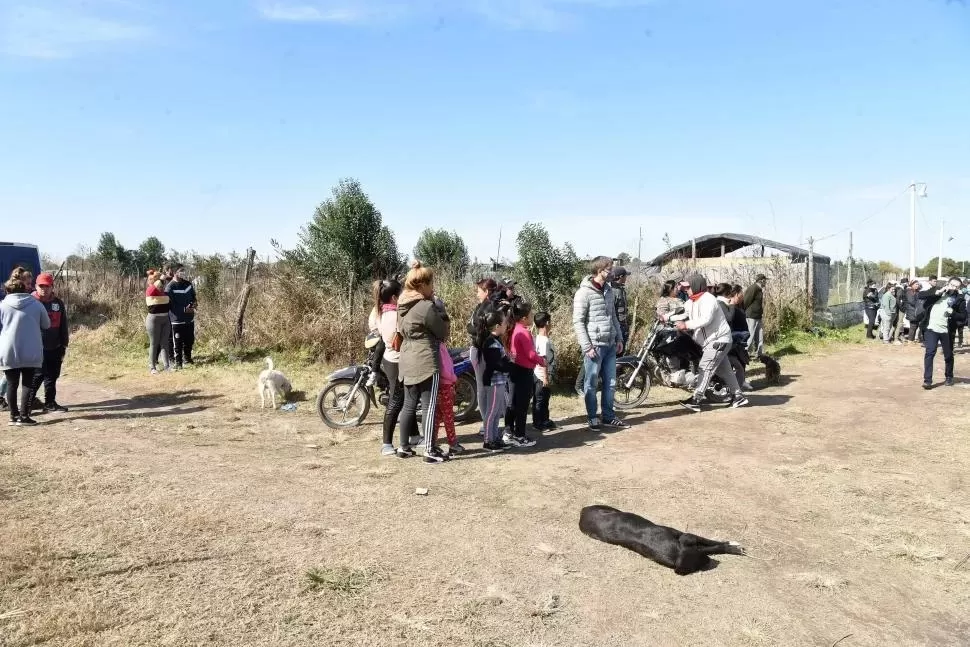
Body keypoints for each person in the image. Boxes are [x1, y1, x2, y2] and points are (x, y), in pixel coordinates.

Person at [396, 261, 451, 463]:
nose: (433, 287)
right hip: (426, 359)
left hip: (407, 358)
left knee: (409, 405)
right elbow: (443, 332)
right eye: (431, 284)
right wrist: (441, 311)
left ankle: (403, 447)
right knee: (429, 406)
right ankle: (429, 449)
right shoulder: (426, 306)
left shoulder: (401, 305)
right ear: (421, 285)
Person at [673, 274, 748, 412]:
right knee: (724, 370)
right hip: (711, 342)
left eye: (688, 287)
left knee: (705, 367)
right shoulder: (691, 302)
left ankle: (696, 398)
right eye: (684, 288)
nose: (685, 290)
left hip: (719, 340)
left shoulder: (708, 300)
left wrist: (686, 325)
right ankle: (738, 397)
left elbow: (705, 319)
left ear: (696, 285)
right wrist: (666, 317)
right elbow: (683, 314)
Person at [573, 256, 628, 431]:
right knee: (591, 383)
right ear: (599, 271)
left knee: (611, 383)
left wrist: (619, 338)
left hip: (610, 344)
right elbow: (578, 321)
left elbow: (613, 317)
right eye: (609, 269)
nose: (612, 272)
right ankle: (592, 417)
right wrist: (587, 346)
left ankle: (609, 416)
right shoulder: (584, 293)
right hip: (594, 346)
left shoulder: (609, 291)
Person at [0, 268, 50, 426]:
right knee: (28, 383)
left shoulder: (2, 305)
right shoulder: (36, 304)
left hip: (8, 349)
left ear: (8, 289)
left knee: (12, 383)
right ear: (26, 288)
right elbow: (46, 325)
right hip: (31, 349)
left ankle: (13, 416)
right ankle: (24, 417)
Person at [29, 272, 69, 413]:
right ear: (36, 286)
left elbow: (63, 325)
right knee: (37, 376)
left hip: (55, 346)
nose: (44, 289)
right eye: (41, 286)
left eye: (47, 286)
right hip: (37, 348)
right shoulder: (31, 302)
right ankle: (28, 405)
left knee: (52, 375)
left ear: (52, 287)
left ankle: (50, 403)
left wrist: (64, 344)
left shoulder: (58, 303)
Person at [476, 304, 513, 452]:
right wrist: (510, 366)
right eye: (504, 323)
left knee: (497, 411)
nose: (506, 325)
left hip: (499, 381)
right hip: (493, 382)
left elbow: (500, 360)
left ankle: (495, 437)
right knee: (491, 412)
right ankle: (488, 441)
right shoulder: (490, 342)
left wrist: (508, 361)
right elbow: (495, 364)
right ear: (497, 326)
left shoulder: (495, 340)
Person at [373, 279, 404, 457]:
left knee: (405, 399)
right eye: (400, 294)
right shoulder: (395, 316)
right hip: (397, 361)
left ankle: (414, 435)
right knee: (396, 401)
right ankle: (386, 443)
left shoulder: (382, 313)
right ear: (394, 297)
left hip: (389, 360)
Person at [507, 300, 543, 447]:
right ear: (523, 318)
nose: (532, 316)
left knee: (513, 402)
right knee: (522, 405)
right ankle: (520, 435)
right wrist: (542, 361)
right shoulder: (524, 332)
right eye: (530, 314)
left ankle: (508, 431)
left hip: (515, 369)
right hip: (524, 371)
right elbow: (530, 354)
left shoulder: (513, 328)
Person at [918, 277, 965, 388]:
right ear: (948, 283)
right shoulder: (937, 291)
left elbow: (963, 317)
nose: (953, 288)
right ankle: (927, 380)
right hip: (931, 328)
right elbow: (920, 295)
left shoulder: (959, 299)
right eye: (952, 285)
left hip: (947, 331)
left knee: (948, 355)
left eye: (956, 286)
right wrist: (937, 293)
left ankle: (949, 377)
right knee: (930, 352)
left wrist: (953, 313)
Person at [468, 277, 497, 436]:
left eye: (479, 291)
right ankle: (486, 423)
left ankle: (488, 423)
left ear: (486, 292)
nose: (477, 293)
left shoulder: (492, 307)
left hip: (485, 351)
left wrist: (478, 328)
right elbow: (470, 328)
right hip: (479, 350)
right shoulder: (479, 307)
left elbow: (474, 328)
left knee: (488, 389)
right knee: (484, 389)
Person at [434, 316, 465, 456]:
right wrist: (453, 378)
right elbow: (443, 369)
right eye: (446, 328)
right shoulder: (438, 347)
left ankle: (433, 442)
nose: (448, 331)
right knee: (448, 417)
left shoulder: (441, 345)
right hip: (444, 385)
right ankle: (452, 444)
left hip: (447, 384)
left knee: (439, 416)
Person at [716, 283, 752, 392]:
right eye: (740, 293)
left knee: (740, 363)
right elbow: (729, 318)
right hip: (731, 338)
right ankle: (736, 387)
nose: (742, 295)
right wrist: (731, 305)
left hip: (737, 337)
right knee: (736, 364)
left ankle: (739, 384)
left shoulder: (736, 305)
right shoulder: (725, 304)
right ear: (734, 294)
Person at [166, 265, 197, 369]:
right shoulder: (170, 287)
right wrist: (183, 309)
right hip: (177, 320)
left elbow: (193, 297)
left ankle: (187, 358)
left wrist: (194, 304)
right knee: (178, 342)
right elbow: (170, 305)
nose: (183, 273)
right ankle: (178, 363)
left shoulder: (188, 284)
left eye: (184, 271)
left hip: (189, 318)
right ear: (175, 272)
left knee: (189, 340)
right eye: (181, 271)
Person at [532, 311, 556, 431]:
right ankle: (538, 423)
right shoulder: (543, 340)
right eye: (550, 321)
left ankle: (545, 419)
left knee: (544, 398)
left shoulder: (538, 338)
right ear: (547, 323)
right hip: (541, 375)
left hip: (539, 373)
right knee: (540, 400)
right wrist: (545, 377)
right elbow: (543, 359)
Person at [145, 269, 172, 374]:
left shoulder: (163, 292)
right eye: (161, 281)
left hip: (165, 319)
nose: (163, 283)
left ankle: (167, 366)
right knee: (154, 343)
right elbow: (156, 287)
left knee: (165, 343)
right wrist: (161, 279)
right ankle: (152, 367)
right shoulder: (150, 290)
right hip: (153, 320)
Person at [743, 274, 767, 356]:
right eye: (765, 280)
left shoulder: (759, 289)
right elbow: (746, 301)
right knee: (750, 335)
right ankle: (745, 354)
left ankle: (759, 353)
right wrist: (743, 311)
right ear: (762, 281)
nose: (766, 282)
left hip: (758, 316)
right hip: (751, 316)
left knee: (759, 335)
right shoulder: (753, 288)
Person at [612, 267, 631, 349]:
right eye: (625, 276)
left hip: (623, 326)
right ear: (621, 277)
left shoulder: (620, 289)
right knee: (616, 354)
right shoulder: (613, 291)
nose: (626, 278)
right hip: (617, 328)